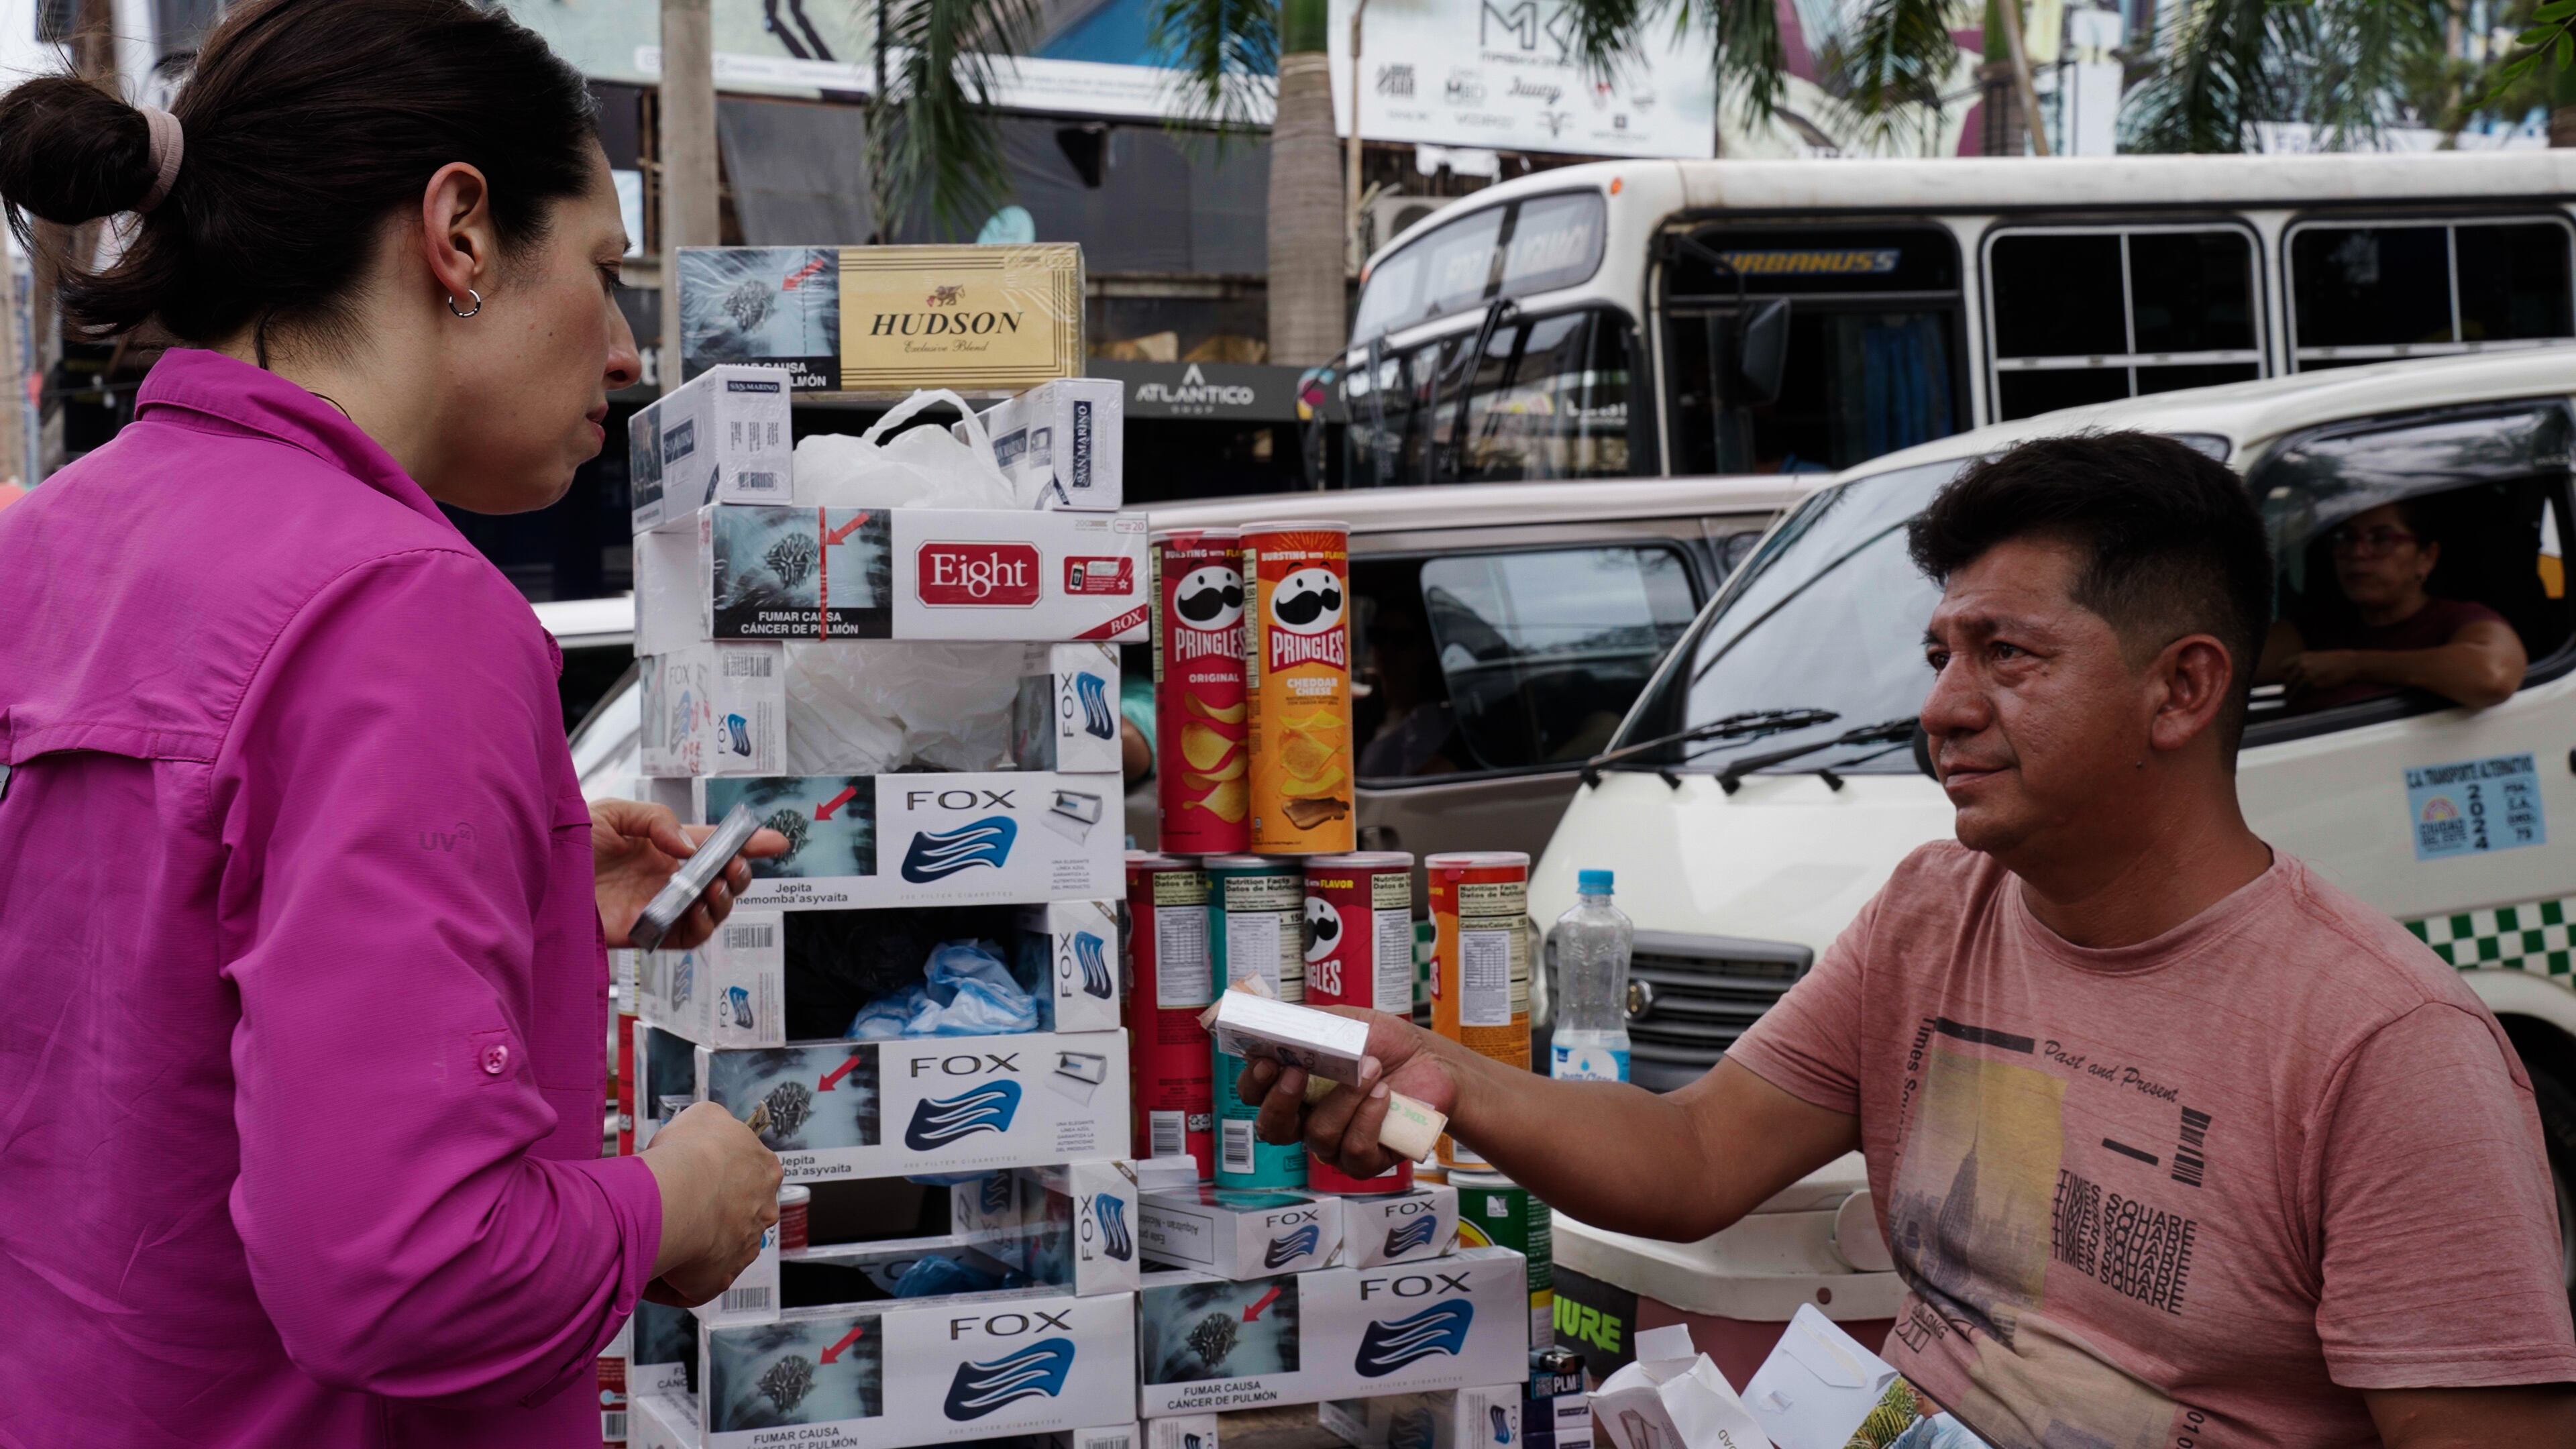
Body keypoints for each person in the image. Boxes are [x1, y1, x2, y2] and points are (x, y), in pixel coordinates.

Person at [1246, 433, 2576, 1447]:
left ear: (2182, 688)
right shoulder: (1934, 915)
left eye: (2007, 656)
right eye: (1942, 652)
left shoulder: (2391, 1050)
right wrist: (1435, 1075)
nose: (1941, 709)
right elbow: (1698, 1154)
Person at [0, 2, 786, 1443]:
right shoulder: (404, 610)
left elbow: (131, 1021)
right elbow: (413, 1271)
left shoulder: (46, 549)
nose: (623, 352)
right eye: (606, 273)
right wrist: (678, 1199)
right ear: (463, 233)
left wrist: (521, 894)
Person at [2258, 499, 2527, 712]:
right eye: (2346, 538)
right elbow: (2234, 664)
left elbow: (2492, 676)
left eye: (2382, 539)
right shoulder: (2315, 628)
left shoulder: (2458, 620)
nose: (2358, 553)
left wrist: (2353, 665)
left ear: (2427, 558)